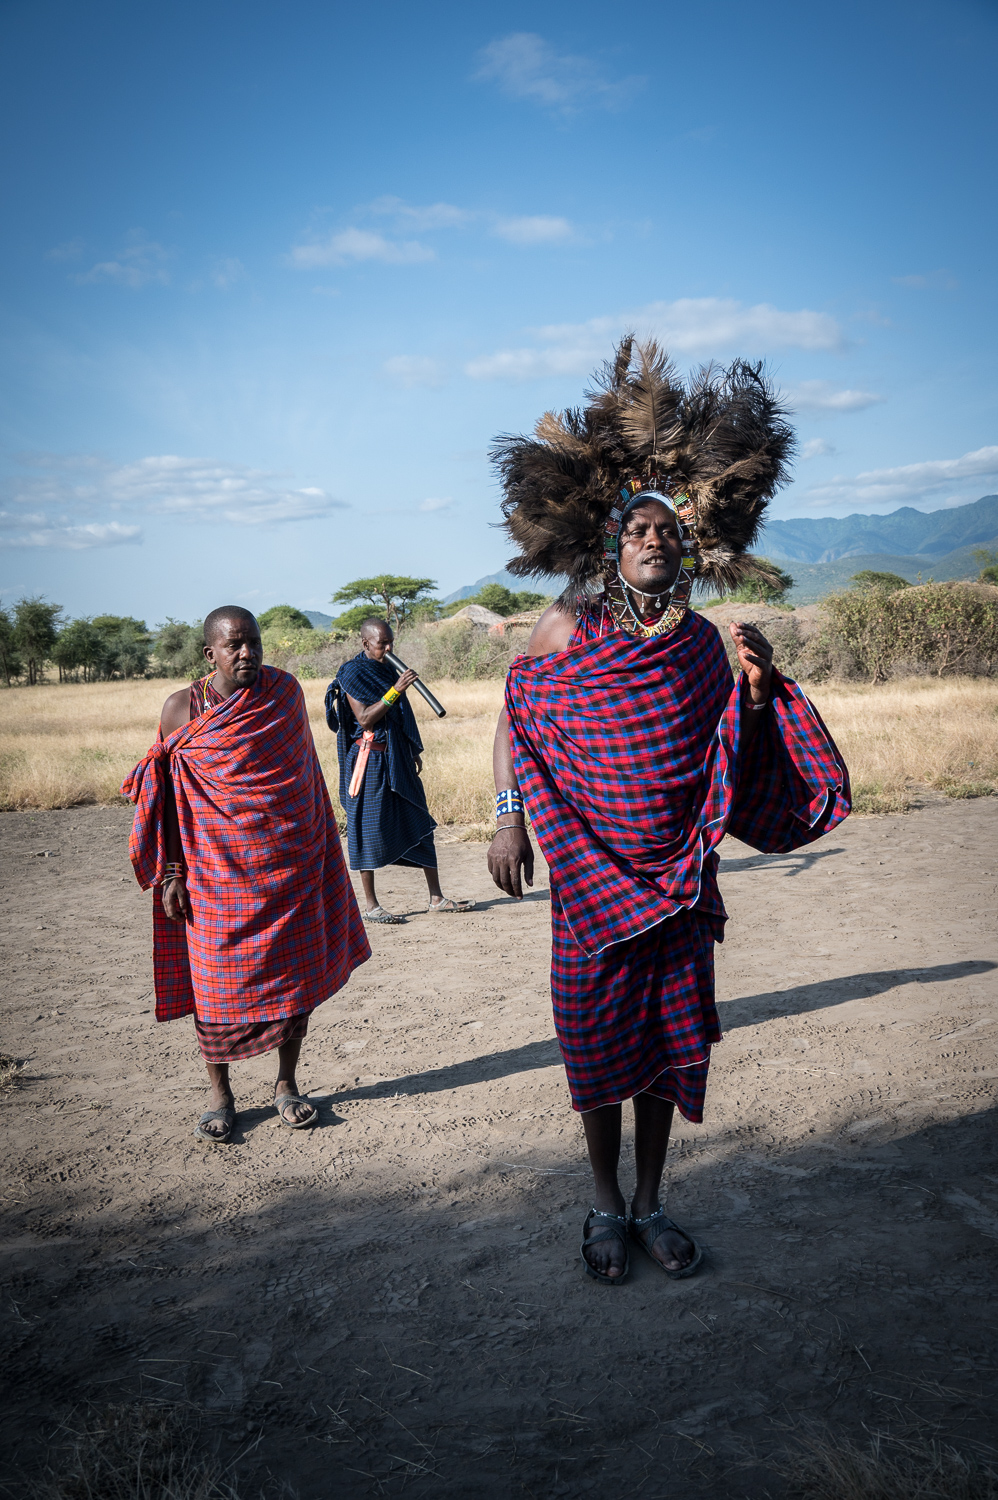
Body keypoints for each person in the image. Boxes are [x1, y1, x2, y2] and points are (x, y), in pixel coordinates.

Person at [486, 339, 851, 1283]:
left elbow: (734, 747)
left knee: (665, 1047)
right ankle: (602, 1204)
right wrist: (508, 816)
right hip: (589, 879)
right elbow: (517, 718)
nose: (654, 539)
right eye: (637, 530)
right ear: (613, 547)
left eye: (666, 531)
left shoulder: (700, 646)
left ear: (686, 549)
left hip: (680, 880)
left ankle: (650, 1202)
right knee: (595, 1043)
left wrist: (761, 693)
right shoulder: (568, 627)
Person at [122, 606, 370, 1143]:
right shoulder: (181, 709)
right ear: (209, 653)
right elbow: (169, 798)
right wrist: (171, 872)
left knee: (295, 981)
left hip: (289, 869)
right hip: (214, 874)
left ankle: (287, 1084)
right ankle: (221, 1095)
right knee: (213, 988)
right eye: (233, 645)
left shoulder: (283, 694)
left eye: (253, 642)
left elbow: (303, 781)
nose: (246, 653)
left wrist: (316, 852)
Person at [326, 618, 474, 923]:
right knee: (365, 829)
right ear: (366, 643)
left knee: (420, 820)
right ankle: (371, 906)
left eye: (391, 642)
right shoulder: (352, 673)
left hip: (396, 756)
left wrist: (409, 750)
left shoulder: (387, 669)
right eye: (383, 643)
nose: (389, 648)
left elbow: (399, 717)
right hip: (368, 760)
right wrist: (395, 689)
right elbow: (365, 718)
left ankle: (436, 898)